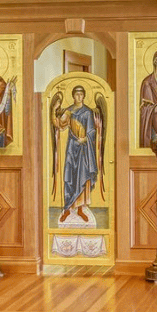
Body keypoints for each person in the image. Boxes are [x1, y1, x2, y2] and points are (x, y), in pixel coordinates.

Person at [56, 85, 98, 225]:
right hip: (71, 146)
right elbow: (60, 123)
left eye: (81, 94)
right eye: (77, 94)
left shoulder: (87, 112)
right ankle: (67, 208)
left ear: (84, 96)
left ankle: (80, 208)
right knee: (69, 175)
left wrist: (85, 138)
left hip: (83, 148)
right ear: (73, 96)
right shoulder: (69, 111)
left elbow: (92, 131)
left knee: (81, 174)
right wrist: (55, 110)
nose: (79, 97)